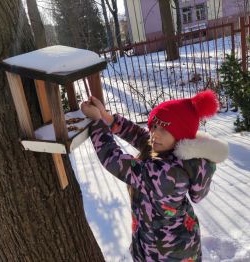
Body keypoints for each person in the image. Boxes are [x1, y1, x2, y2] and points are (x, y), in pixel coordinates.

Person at [81, 90, 228, 262]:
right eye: (155, 126)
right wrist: (108, 118)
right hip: (157, 242)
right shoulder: (174, 151)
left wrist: (98, 123)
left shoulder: (167, 175)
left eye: (164, 129)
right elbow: (141, 136)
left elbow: (114, 160)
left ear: (181, 135)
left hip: (169, 254)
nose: (155, 133)